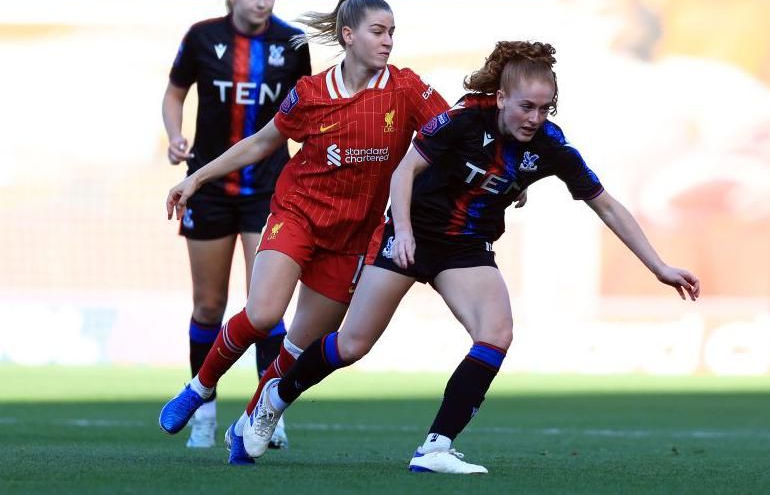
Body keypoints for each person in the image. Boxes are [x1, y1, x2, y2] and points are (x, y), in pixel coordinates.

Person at [240, 41, 701, 473]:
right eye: (526, 106)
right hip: (411, 233)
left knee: (497, 333)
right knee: (352, 345)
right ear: (501, 98)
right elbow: (404, 173)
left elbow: (607, 204)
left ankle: (436, 446)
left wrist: (658, 266)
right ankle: (275, 398)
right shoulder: (461, 120)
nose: (534, 118)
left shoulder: (550, 146)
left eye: (544, 109)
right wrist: (401, 233)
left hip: (465, 248)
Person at [158, 0, 452, 465]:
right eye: (378, 32)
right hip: (297, 216)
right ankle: (199, 387)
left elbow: (452, 135)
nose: (388, 42)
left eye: (393, 33)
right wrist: (196, 177)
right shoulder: (311, 94)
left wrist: (502, 173)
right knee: (262, 314)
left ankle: (252, 418)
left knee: (299, 347)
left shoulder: (406, 88)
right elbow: (261, 143)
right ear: (348, 35)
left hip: (352, 237)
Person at [162, 0, 310, 450]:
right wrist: (173, 135)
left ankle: (269, 409)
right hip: (209, 185)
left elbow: (304, 113)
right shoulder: (202, 37)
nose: (262, 2)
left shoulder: (291, 43)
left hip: (268, 189)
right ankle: (203, 408)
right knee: (209, 304)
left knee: (264, 305)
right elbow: (175, 92)